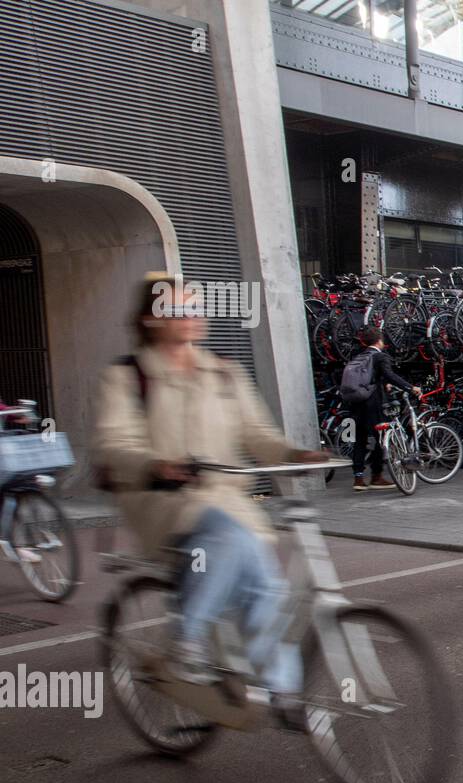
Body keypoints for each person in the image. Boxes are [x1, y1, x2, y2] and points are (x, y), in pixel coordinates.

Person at [92, 274, 328, 726]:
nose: (190, 318)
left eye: (194, 309)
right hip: (162, 501)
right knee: (233, 543)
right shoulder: (126, 378)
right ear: (149, 319)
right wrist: (156, 464)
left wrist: (293, 454)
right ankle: (187, 640)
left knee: (265, 582)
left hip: (225, 501)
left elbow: (256, 433)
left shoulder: (223, 371)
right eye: (176, 310)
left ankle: (280, 689)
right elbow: (113, 443)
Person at [344, 325, 421, 491]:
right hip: (373, 405)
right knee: (381, 439)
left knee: (359, 440)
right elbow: (389, 375)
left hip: (355, 403)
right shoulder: (380, 357)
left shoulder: (357, 356)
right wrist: (410, 387)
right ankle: (376, 476)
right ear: (379, 341)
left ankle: (358, 479)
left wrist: (382, 383)